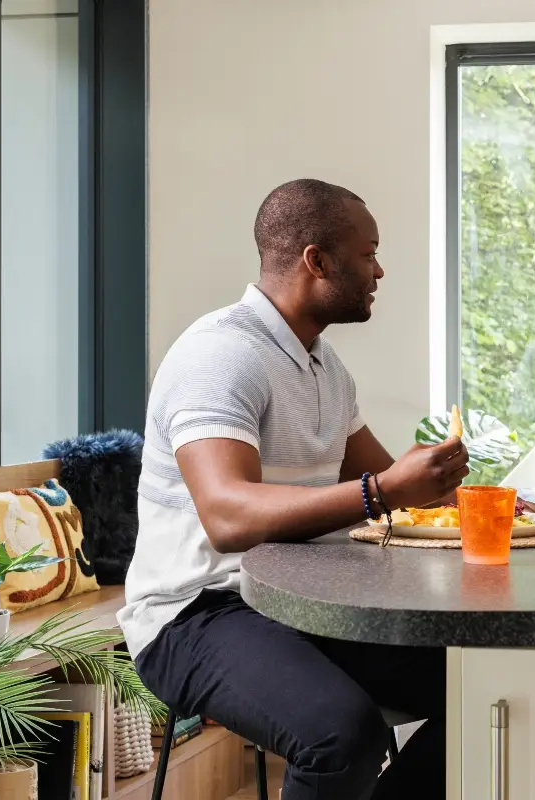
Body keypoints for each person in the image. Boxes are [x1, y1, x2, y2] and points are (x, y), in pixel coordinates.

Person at [120, 179, 470, 800]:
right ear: (317, 261)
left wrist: (476, 501)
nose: (380, 269)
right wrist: (385, 491)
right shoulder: (221, 355)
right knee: (339, 735)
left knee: (485, 680)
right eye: (368, 254)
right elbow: (227, 515)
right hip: (198, 612)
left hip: (299, 603)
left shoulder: (323, 366)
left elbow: (394, 486)